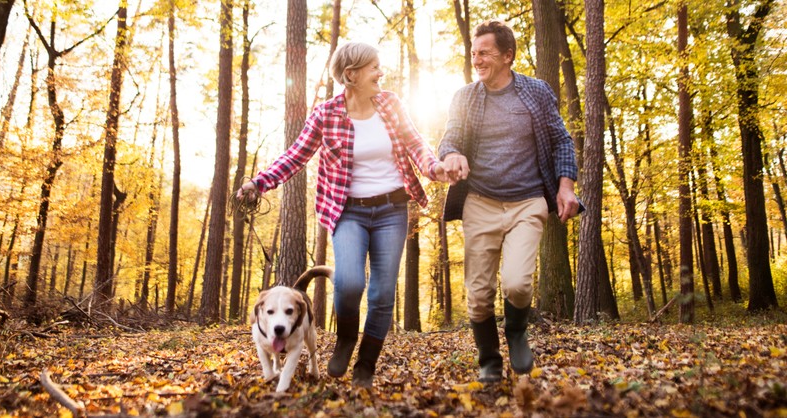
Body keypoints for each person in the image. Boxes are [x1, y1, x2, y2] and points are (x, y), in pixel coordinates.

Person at [237, 42, 447, 388]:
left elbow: (416, 144)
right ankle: (347, 337)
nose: (381, 73)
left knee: (381, 294)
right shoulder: (326, 114)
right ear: (351, 75)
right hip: (348, 211)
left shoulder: (391, 103)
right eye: (374, 67)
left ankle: (366, 361)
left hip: (392, 208)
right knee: (348, 282)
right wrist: (260, 183)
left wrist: (435, 168)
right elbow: (295, 155)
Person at [438, 20, 581, 383]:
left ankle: (517, 332)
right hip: (480, 203)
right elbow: (450, 137)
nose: (477, 59)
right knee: (479, 293)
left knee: (517, 283)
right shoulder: (465, 97)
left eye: (484, 53)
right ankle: (489, 359)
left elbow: (562, 140)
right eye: (474, 53)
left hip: (527, 202)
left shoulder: (535, 92)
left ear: (507, 56)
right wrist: (452, 154)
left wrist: (565, 187)